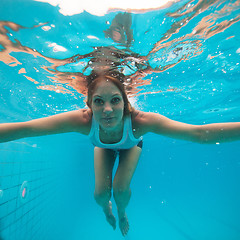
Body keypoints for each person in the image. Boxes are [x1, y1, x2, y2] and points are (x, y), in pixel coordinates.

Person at [1, 70, 240, 236]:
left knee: (121, 189)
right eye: (98, 102)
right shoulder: (84, 121)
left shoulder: (140, 121)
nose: (107, 110)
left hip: (130, 143)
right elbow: (25, 128)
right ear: (89, 105)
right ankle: (107, 210)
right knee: (99, 195)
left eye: (115, 100)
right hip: (102, 145)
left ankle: (122, 213)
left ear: (125, 103)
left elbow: (198, 133)